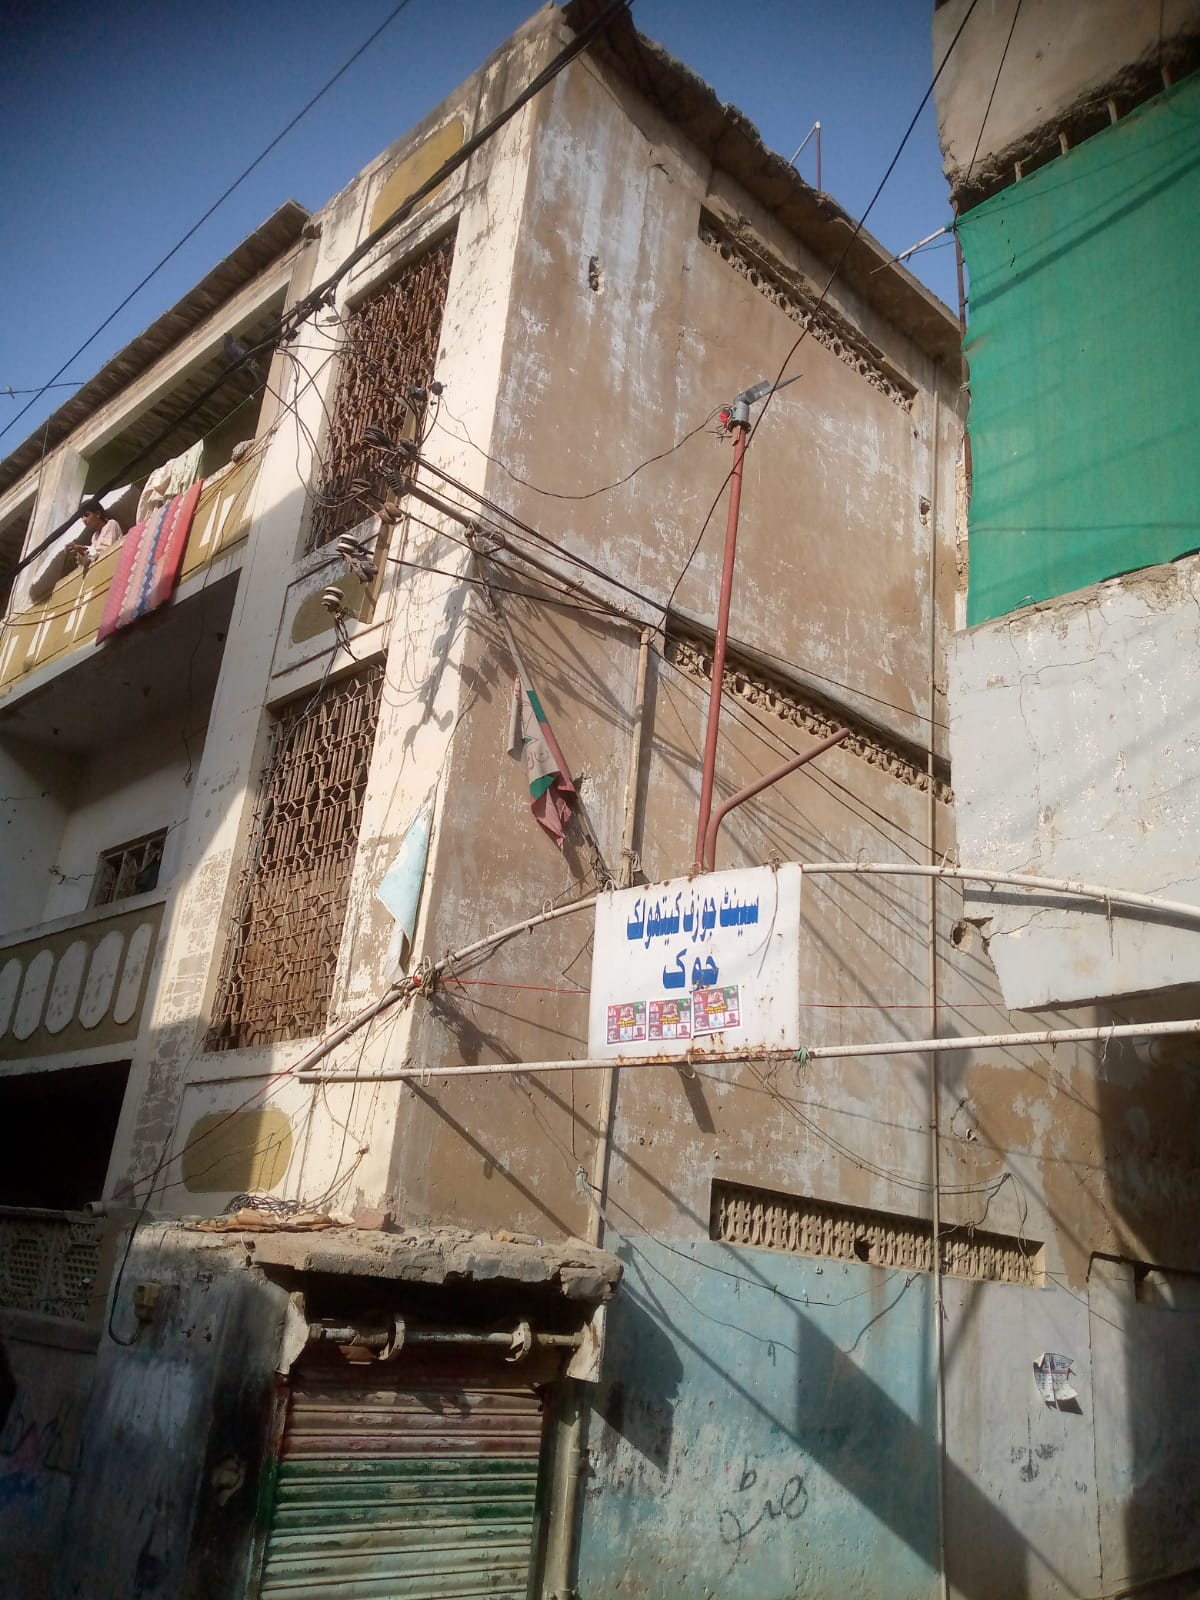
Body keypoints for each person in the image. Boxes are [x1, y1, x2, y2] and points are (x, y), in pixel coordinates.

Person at [70, 499, 124, 568]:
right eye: (82, 517)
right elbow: (92, 558)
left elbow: (105, 550)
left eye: (86, 515)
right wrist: (80, 553)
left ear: (98, 514)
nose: (84, 519)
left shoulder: (111, 524)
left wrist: (86, 550)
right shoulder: (94, 537)